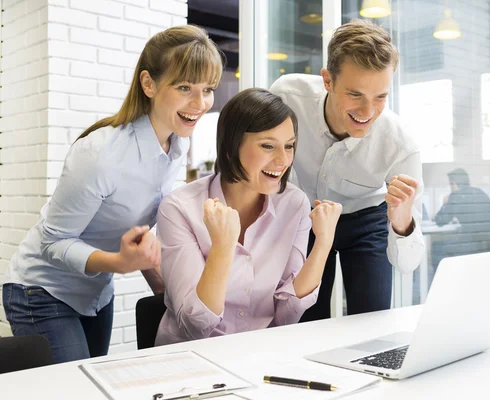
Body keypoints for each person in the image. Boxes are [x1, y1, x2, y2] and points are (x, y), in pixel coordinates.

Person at [1, 25, 223, 363]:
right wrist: (119, 263)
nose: (201, 102)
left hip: (95, 293)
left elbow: (138, 229)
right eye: (184, 87)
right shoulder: (101, 154)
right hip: (42, 291)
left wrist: (170, 292)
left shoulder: (176, 146)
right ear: (149, 83)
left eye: (208, 89)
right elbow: (54, 241)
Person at [155, 88, 342, 345]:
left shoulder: (294, 204)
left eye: (289, 146)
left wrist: (323, 242)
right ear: (232, 146)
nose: (283, 160)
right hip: (192, 361)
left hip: (259, 356)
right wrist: (222, 247)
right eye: (268, 146)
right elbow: (195, 327)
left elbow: (287, 315)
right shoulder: (179, 209)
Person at [270, 19, 425, 321]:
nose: (368, 112)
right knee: (303, 316)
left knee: (371, 321)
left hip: (368, 218)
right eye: (355, 95)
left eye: (380, 97)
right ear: (327, 80)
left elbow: (408, 263)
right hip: (307, 216)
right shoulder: (287, 97)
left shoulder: (400, 144)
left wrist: (403, 220)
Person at [432, 168, 490, 271]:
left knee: (436, 246)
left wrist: (445, 204)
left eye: (450, 184)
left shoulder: (455, 196)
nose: (450, 187)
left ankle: (442, 282)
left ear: (454, 183)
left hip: (472, 246)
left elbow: (440, 221)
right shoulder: (481, 193)